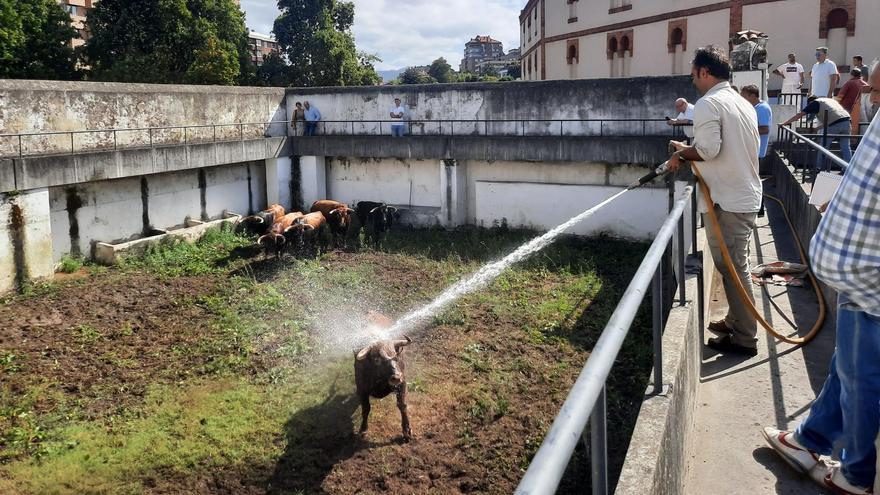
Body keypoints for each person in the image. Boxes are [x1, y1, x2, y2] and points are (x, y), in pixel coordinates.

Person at [762, 64, 880, 495]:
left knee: (859, 376)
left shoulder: (818, 100)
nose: (871, 95)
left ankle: (857, 474)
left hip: (869, 281)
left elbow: (798, 120)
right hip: (858, 275)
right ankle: (809, 439)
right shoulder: (856, 109)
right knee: (844, 367)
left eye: (877, 90)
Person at [666, 45, 762, 356]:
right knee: (733, 265)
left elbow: (707, 150)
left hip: (730, 200)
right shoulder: (741, 102)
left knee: (734, 268)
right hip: (742, 195)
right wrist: (687, 148)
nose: (693, 81)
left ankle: (745, 337)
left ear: (706, 73)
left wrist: (680, 152)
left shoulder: (709, 103)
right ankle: (736, 319)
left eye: (694, 75)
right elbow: (720, 146)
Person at [782, 96, 852, 168]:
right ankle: (848, 169)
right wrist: (816, 129)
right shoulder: (830, 101)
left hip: (834, 124)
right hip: (847, 120)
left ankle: (819, 168)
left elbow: (799, 115)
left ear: (810, 102)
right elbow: (832, 119)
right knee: (845, 147)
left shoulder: (815, 103)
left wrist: (785, 123)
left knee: (823, 147)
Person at [741, 85, 772, 159]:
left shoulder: (762, 108)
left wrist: (744, 131)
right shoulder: (755, 107)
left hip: (756, 152)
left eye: (744, 97)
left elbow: (765, 130)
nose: (741, 99)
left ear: (752, 96)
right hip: (752, 151)